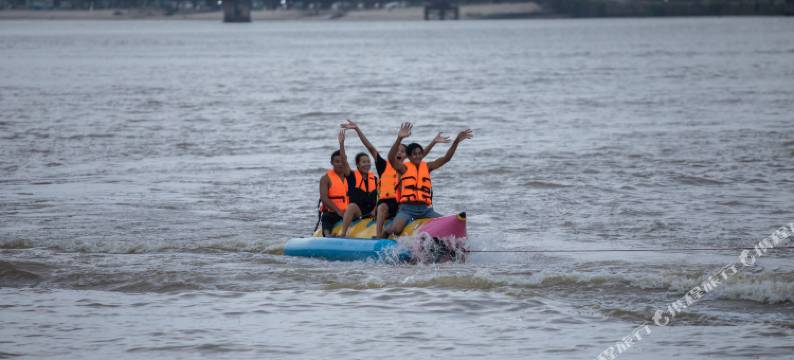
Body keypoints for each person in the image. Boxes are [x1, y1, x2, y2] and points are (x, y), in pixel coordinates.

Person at [340, 120, 449, 238]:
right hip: (386, 204)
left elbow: (422, 154)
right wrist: (357, 129)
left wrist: (433, 142)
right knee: (382, 207)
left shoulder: (409, 167)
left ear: (407, 156)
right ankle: (379, 235)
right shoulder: (384, 165)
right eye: (397, 150)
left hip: (402, 205)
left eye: (402, 151)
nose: (399, 153)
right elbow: (370, 147)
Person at [383, 122, 473, 237]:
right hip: (407, 209)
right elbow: (391, 158)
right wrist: (399, 138)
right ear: (409, 157)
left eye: (420, 153)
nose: (418, 156)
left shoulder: (428, 167)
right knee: (396, 229)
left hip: (425, 210)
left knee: (445, 225)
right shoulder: (403, 168)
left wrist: (456, 142)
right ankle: (385, 231)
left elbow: (446, 158)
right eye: (414, 154)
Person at [318, 130, 352, 237]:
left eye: (342, 161)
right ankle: (327, 235)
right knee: (326, 217)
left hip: (348, 213)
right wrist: (338, 211)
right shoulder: (326, 178)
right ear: (332, 163)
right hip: (333, 213)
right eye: (337, 161)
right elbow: (324, 198)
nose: (340, 164)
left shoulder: (349, 176)